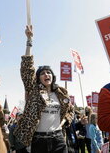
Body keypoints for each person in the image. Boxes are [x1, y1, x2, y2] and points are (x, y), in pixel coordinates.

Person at [13, 25, 74, 153]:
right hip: (38, 140)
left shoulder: (62, 93)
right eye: (43, 73)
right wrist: (29, 40)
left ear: (53, 76)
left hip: (58, 139)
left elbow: (70, 111)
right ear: (38, 78)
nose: (46, 75)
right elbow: (26, 69)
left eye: (49, 72)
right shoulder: (34, 91)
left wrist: (62, 123)